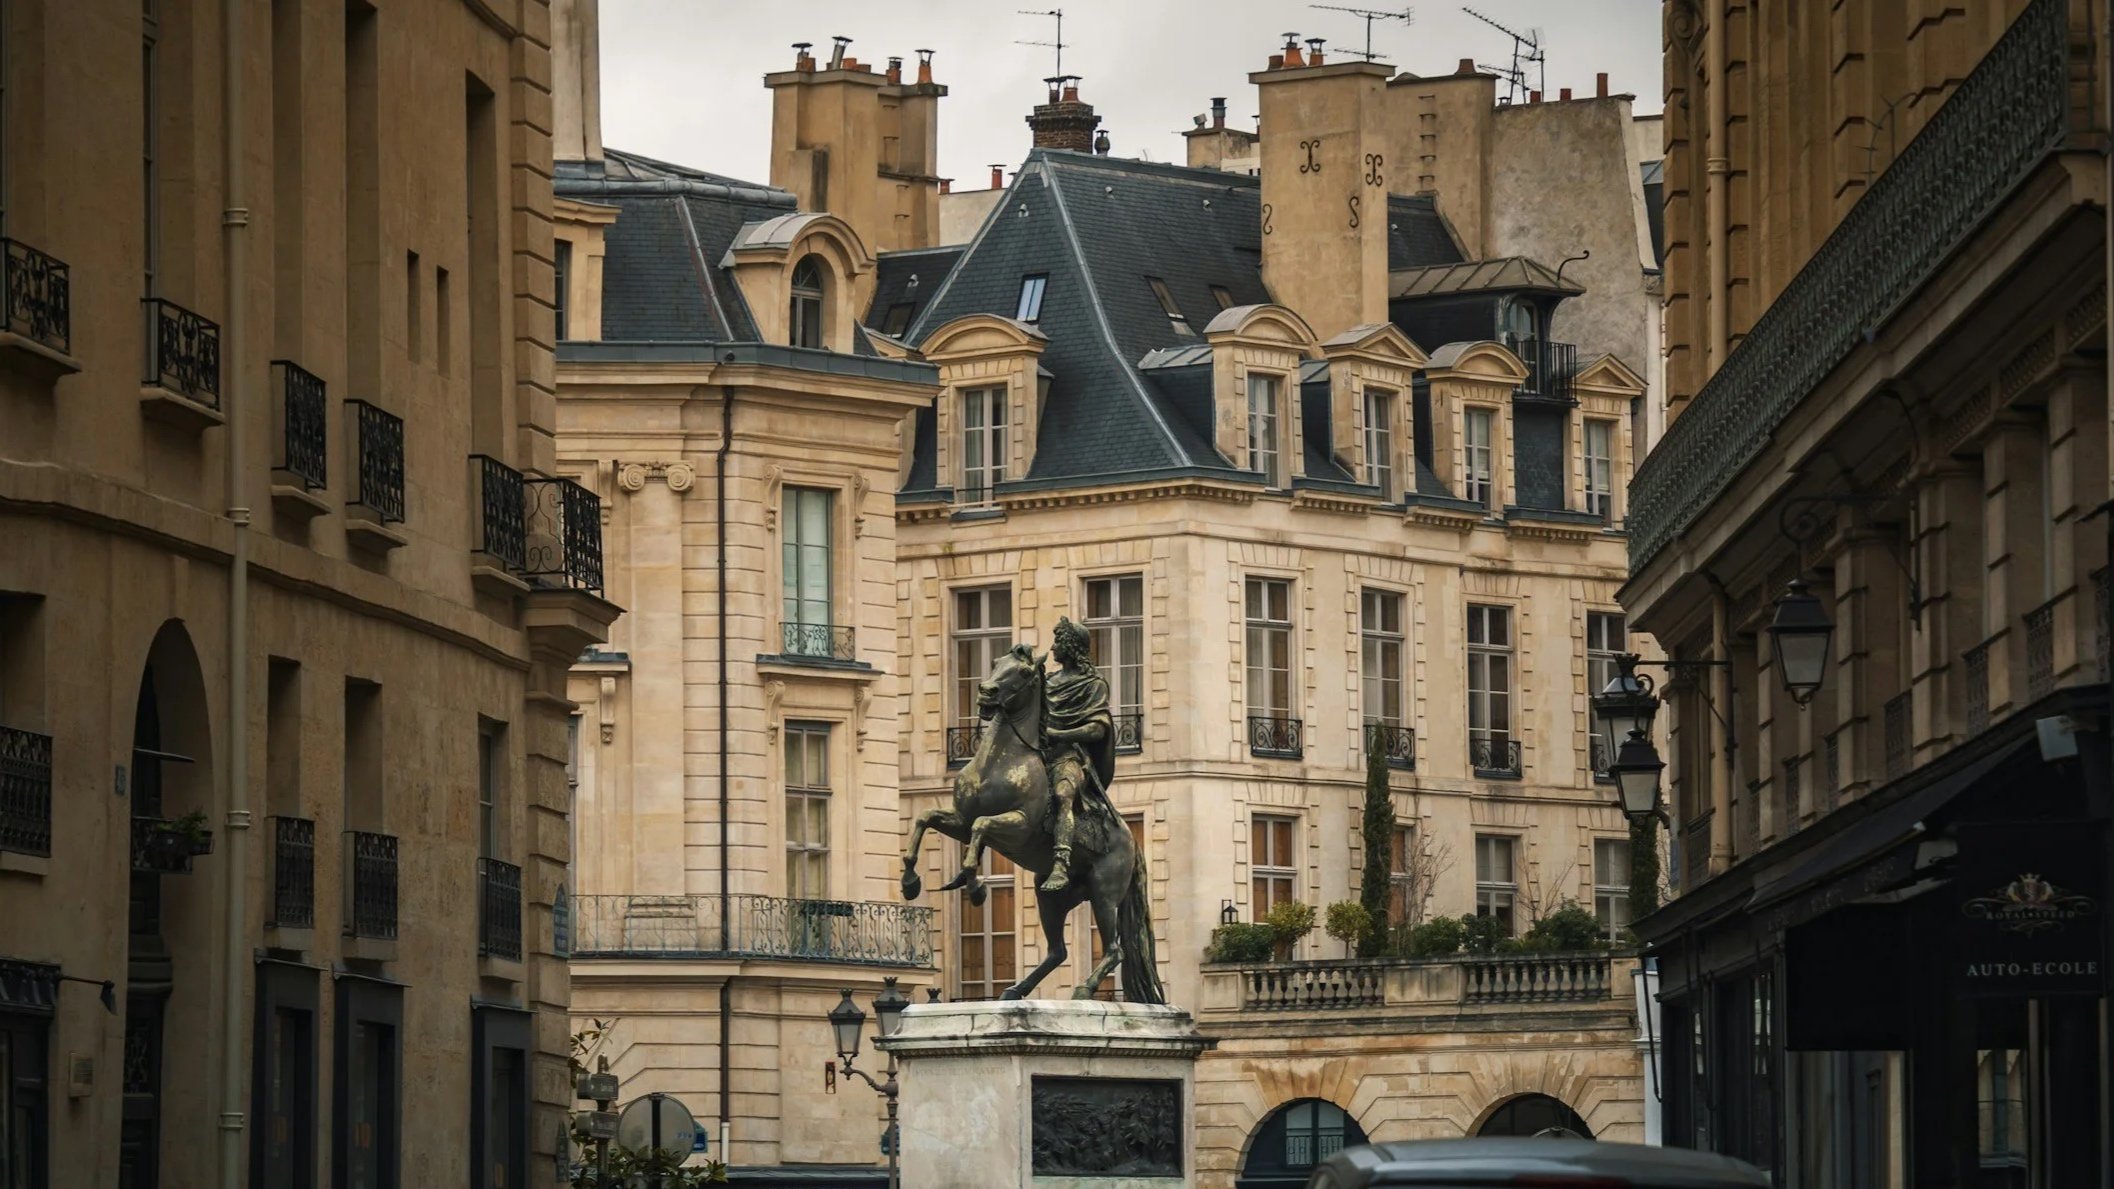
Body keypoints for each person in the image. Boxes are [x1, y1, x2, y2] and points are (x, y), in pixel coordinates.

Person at [1039, 617, 1115, 893]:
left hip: (1069, 756)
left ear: (1071, 646)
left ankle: (1060, 863)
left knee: (1062, 794)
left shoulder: (1094, 684)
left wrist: (1059, 735)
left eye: (1058, 640)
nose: (1053, 646)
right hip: (1039, 755)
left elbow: (1096, 729)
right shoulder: (1047, 682)